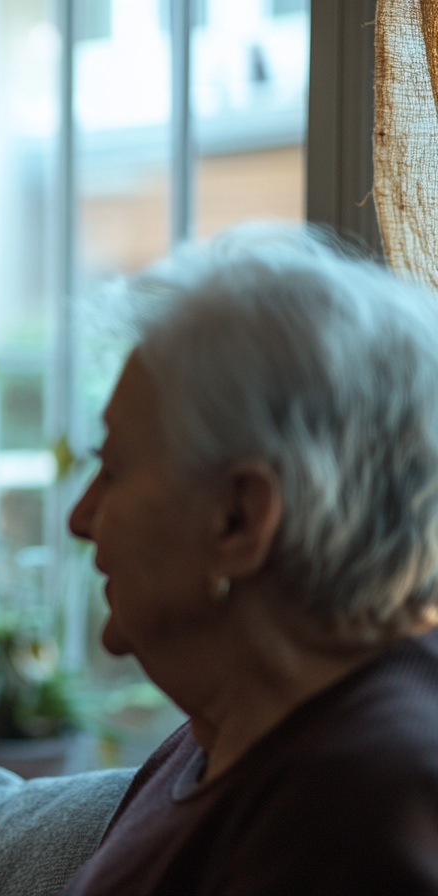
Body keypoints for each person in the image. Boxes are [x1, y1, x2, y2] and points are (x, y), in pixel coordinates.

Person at [60, 226, 438, 895]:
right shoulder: (216, 738)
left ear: (238, 519)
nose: (80, 518)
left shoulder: (362, 811)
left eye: (113, 470)